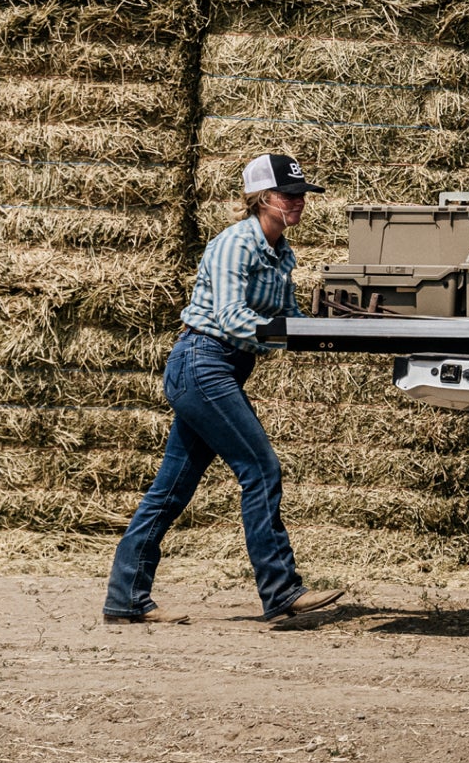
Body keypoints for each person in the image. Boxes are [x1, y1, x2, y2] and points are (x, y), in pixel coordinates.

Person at [103, 154, 346, 624]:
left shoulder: (282, 251)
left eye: (301, 195)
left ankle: (125, 598)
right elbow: (235, 319)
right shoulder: (236, 244)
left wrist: (331, 329)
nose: (297, 202)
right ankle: (280, 591)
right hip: (203, 363)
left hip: (221, 368)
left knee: (171, 490)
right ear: (261, 199)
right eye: (287, 195)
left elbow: (287, 314)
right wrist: (289, 335)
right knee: (260, 467)